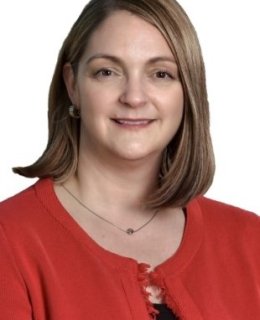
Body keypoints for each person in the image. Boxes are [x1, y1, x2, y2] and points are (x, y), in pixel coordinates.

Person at [0, 0, 259, 319]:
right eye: (107, 72)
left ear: (187, 90)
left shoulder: (251, 241)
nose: (134, 97)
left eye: (161, 74)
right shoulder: (8, 240)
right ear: (73, 85)